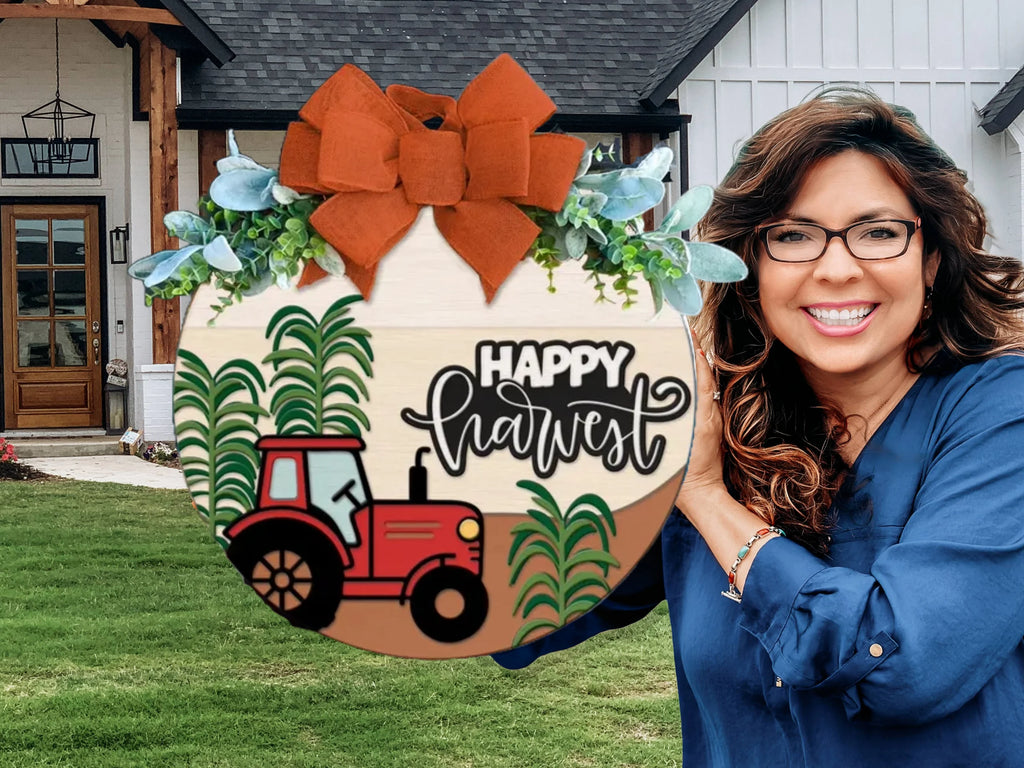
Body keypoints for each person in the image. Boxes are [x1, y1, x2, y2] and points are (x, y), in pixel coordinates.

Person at [494, 88, 1024, 766]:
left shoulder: (1000, 414)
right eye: (793, 235)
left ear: (932, 259)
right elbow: (524, 609)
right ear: (750, 268)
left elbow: (903, 665)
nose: (837, 268)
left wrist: (707, 497)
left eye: (879, 232)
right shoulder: (719, 418)